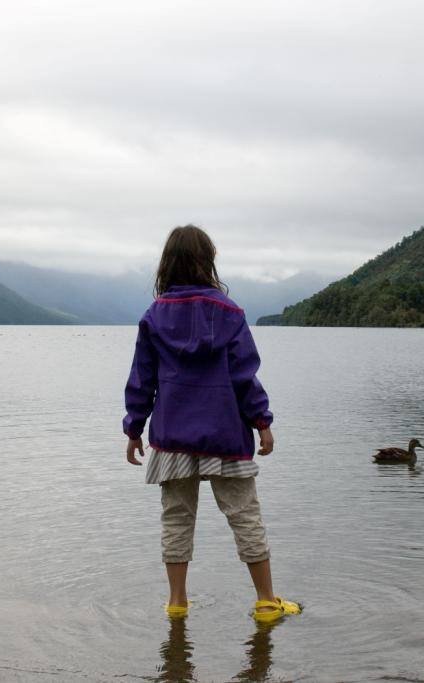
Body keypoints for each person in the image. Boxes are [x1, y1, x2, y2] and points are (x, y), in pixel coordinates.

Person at [122, 224, 301, 622]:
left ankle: (177, 604)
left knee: (176, 519)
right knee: (245, 515)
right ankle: (267, 602)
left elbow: (141, 379)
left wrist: (134, 428)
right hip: (225, 433)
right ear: (208, 262)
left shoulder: (154, 316)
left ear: (166, 265)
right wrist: (262, 421)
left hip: (172, 437)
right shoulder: (230, 313)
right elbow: (243, 374)